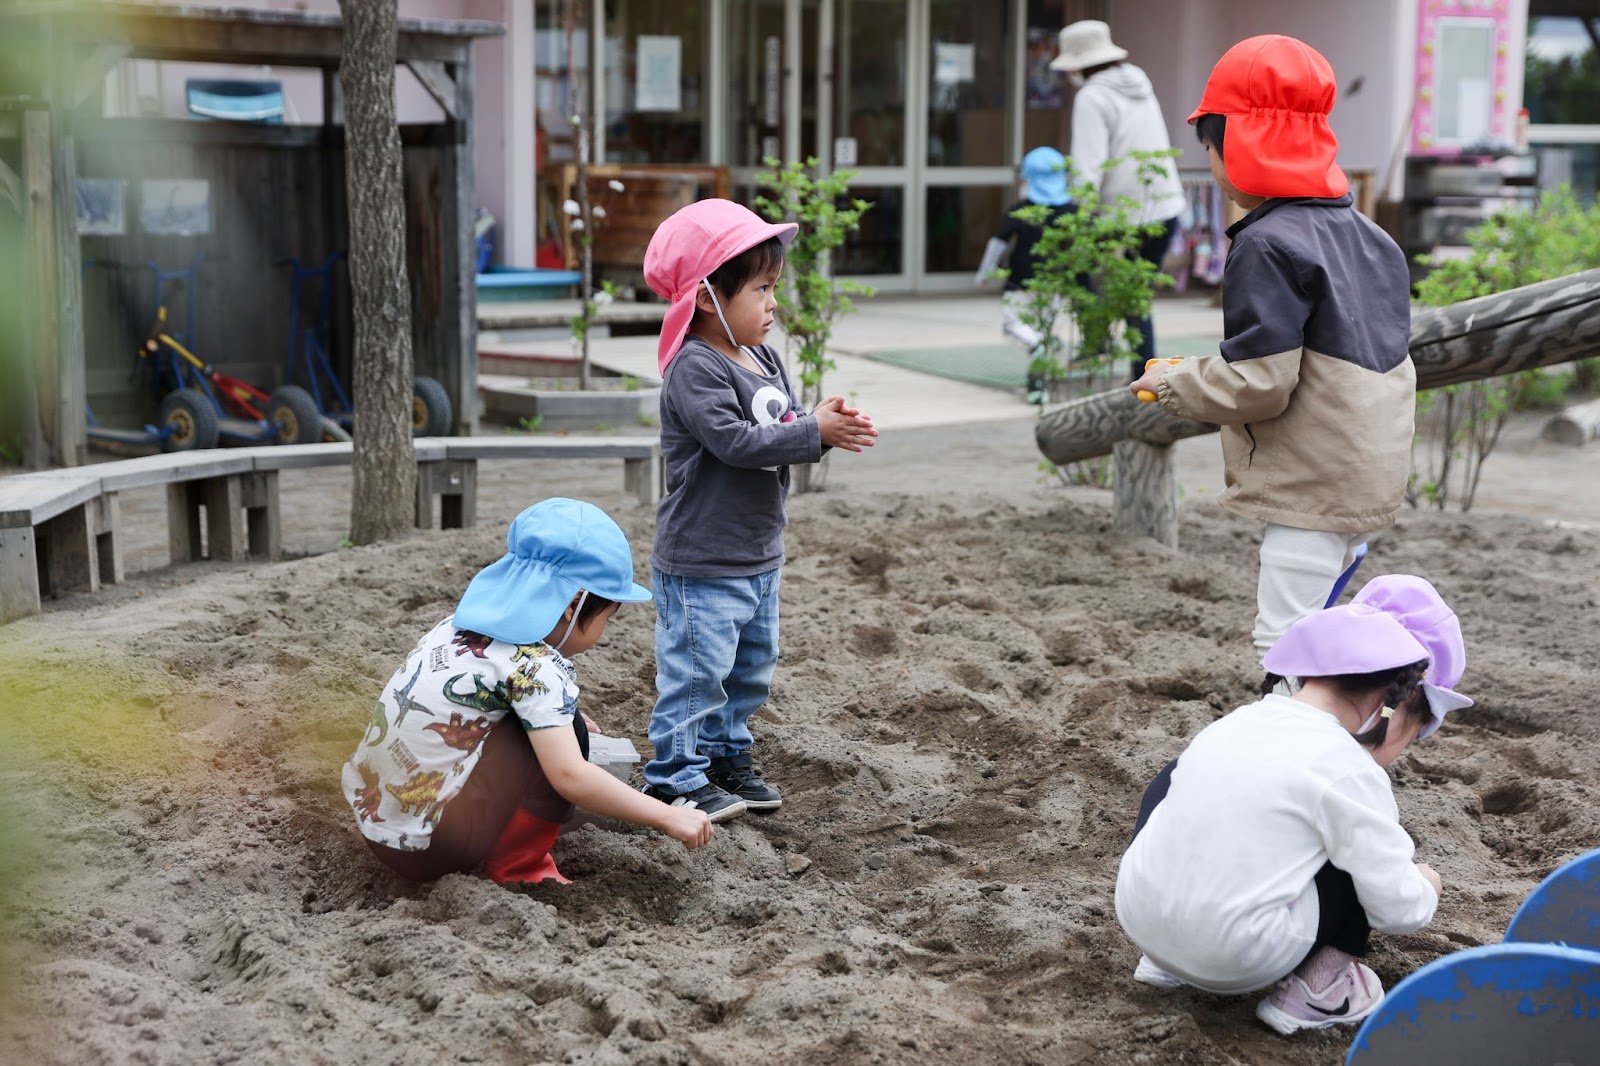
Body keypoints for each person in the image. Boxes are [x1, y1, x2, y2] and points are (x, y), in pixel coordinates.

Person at [1129, 35, 1415, 662]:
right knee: (1320, 617)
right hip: (1369, 471)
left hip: (1313, 482)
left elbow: (1260, 381)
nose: (1211, 166)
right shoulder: (1371, 237)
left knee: (1283, 643)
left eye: (1210, 148)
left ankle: (1293, 741)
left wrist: (1171, 380)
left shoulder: (1265, 244)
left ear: (1238, 142)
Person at [1115, 573, 1472, 1035]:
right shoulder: (1349, 769)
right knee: (1357, 849)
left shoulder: (1237, 723)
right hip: (1239, 956)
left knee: (1177, 778)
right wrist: (1424, 884)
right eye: (1418, 730)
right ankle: (1318, 993)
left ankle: (1166, 962)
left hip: (1141, 919)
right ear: (1398, 702)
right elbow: (1397, 910)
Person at [640, 199, 879, 822]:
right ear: (705, 297)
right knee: (697, 674)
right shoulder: (695, 368)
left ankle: (724, 756)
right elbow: (736, 443)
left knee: (747, 672)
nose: (773, 303)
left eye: (775, 287)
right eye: (761, 289)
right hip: (703, 559)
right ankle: (673, 775)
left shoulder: (763, 357)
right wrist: (811, 433)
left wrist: (822, 426)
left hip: (757, 551)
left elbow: (783, 424)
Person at [342, 498, 714, 885]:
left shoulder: (454, 626)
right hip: (431, 851)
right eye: (607, 618)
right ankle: (522, 868)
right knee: (572, 731)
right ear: (574, 606)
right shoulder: (536, 668)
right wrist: (667, 815)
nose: (604, 630)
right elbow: (571, 777)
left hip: (373, 819)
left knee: (555, 722)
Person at [1051, 19, 1186, 379]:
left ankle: (1099, 346)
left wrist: (1077, 217)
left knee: (1077, 270)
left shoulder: (1092, 96)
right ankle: (1142, 374)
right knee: (1137, 297)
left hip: (1120, 213)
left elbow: (1087, 166)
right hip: (1165, 204)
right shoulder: (1139, 81)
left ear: (1077, 63)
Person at [974, 146, 1077, 405]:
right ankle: (1037, 385)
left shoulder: (1020, 210)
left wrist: (984, 274)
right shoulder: (1072, 211)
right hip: (1055, 283)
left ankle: (1037, 353)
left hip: (1018, 283)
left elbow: (997, 244)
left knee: (1014, 327)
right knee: (1043, 330)